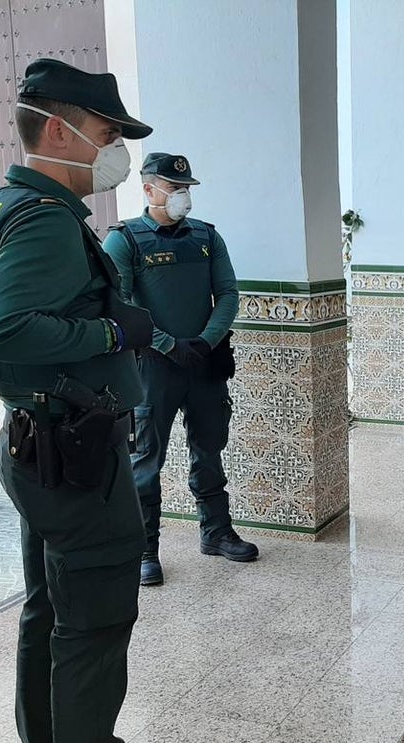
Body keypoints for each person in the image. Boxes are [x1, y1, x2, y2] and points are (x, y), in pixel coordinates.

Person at [0, 58, 205, 743]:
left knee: (45, 613)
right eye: (105, 134)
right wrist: (103, 333)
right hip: (77, 455)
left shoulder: (2, 206)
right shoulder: (49, 218)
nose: (114, 151)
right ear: (57, 130)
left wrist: (72, 322)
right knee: (94, 625)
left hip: (32, 444)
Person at [102, 153, 255, 587]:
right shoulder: (125, 241)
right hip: (152, 367)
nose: (182, 196)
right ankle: (145, 550)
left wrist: (205, 341)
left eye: (186, 188)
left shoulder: (206, 237)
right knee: (146, 459)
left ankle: (216, 531)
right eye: (173, 188)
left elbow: (227, 293)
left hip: (204, 361)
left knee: (209, 447)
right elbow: (122, 305)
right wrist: (167, 344)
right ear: (148, 190)